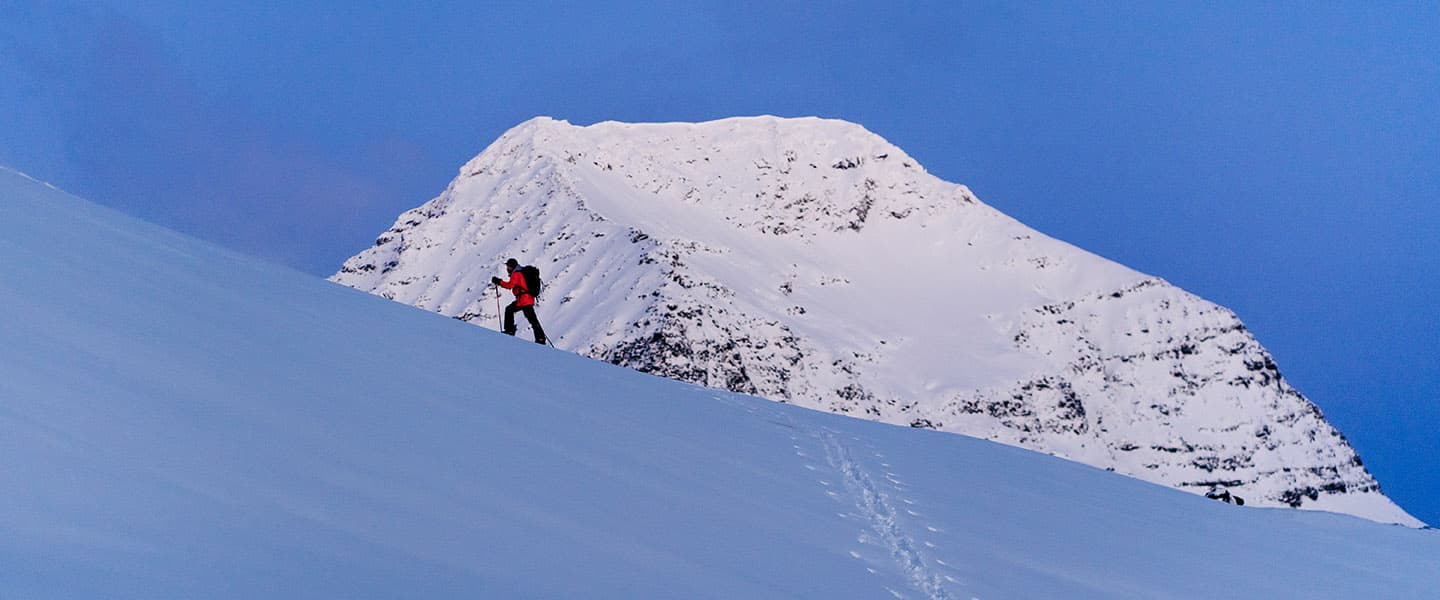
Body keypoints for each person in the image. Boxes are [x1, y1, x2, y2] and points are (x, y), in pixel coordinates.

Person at [492, 258, 547, 344]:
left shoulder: (516, 274)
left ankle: (510, 331)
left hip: (523, 300)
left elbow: (509, 285)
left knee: (511, 310)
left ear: (512, 267)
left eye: (508, 267)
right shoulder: (521, 272)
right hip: (527, 299)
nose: (507, 269)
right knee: (531, 319)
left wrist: (499, 281)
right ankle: (540, 338)